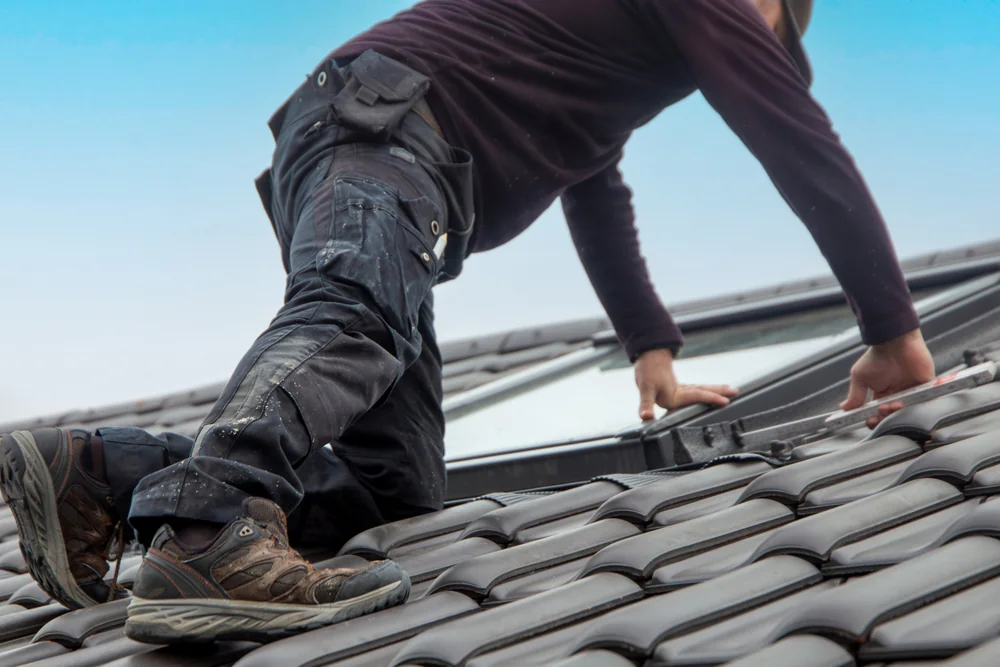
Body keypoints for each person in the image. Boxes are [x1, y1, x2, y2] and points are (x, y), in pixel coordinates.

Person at [0, 0, 935, 644]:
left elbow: (595, 187)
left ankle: (98, 471)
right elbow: (793, 136)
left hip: (372, 151)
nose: (752, 50)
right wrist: (892, 329)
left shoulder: (606, 56)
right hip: (384, 133)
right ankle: (204, 536)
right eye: (766, 28)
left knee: (393, 487)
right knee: (354, 317)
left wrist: (650, 348)